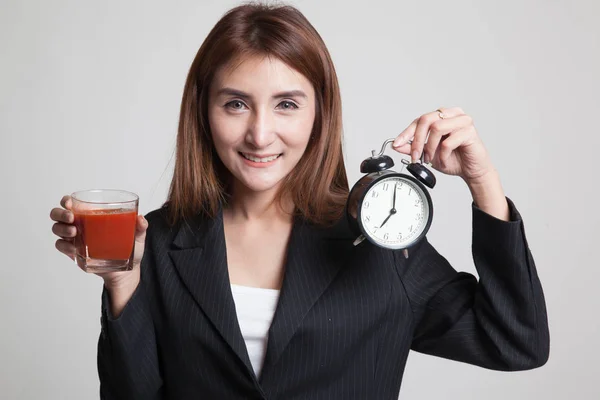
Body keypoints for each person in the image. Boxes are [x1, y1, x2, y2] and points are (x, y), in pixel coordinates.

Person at [49, 3, 549, 399]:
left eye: (286, 104)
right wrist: (122, 281)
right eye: (236, 104)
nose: (260, 134)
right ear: (203, 111)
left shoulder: (380, 239)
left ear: (319, 114)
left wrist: (483, 182)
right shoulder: (156, 243)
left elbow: (516, 341)